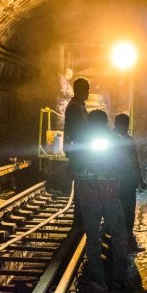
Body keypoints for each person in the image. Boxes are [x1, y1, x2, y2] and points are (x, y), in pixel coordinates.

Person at [74, 110, 131, 293]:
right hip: (109, 193)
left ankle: (99, 280)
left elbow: (72, 166)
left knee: (93, 237)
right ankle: (119, 278)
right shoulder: (114, 139)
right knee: (118, 234)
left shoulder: (80, 140)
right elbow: (124, 164)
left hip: (89, 194)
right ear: (107, 122)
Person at [113, 113, 146, 252]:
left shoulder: (109, 138)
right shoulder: (128, 140)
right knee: (128, 212)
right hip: (127, 182)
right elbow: (134, 162)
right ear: (126, 125)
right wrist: (140, 180)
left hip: (112, 182)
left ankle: (116, 241)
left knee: (114, 211)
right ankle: (129, 242)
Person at [64, 77, 90, 227]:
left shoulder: (79, 105)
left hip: (81, 150)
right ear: (78, 90)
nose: (88, 91)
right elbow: (73, 132)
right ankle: (79, 221)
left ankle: (80, 219)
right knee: (81, 185)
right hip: (79, 151)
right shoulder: (74, 107)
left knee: (83, 184)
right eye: (86, 88)